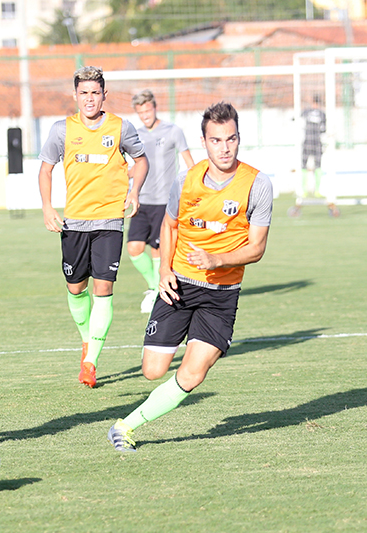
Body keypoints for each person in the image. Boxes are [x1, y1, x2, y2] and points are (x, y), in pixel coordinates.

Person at [108, 102, 273, 452]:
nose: (224, 147)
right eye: (216, 140)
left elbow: (257, 248)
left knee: (192, 374)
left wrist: (218, 258)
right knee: (153, 370)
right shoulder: (186, 180)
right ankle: (184, 334)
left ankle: (125, 426)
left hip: (221, 295)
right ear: (204, 141)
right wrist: (165, 269)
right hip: (180, 285)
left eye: (231, 139)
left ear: (239, 139)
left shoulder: (257, 184)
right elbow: (170, 226)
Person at [38, 66, 149, 388]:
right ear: (75, 96)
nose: (90, 99)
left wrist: (134, 191)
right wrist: (47, 207)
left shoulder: (120, 127)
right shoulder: (62, 130)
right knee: (76, 288)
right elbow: (45, 170)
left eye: (95, 93)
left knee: (103, 288)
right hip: (74, 221)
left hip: (110, 222)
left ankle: (90, 361)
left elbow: (141, 160)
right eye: (84, 93)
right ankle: (88, 339)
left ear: (104, 95)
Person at [128, 90, 195, 313]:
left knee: (158, 249)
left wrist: (193, 189)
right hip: (141, 200)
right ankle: (152, 286)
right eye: (141, 112)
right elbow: (135, 167)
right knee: (134, 248)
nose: (145, 115)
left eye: (148, 110)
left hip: (164, 202)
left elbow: (189, 163)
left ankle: (157, 290)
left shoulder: (173, 131)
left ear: (154, 108)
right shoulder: (135, 134)